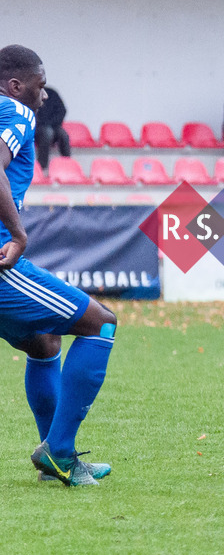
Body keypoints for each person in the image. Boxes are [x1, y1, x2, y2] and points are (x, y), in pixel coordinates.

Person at [0, 45, 119, 486]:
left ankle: (55, 461)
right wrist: (18, 234)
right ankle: (60, 452)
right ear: (16, 85)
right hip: (1, 263)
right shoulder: (14, 111)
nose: (44, 95)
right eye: (40, 85)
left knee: (45, 344)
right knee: (100, 324)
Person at [33, 86, 71, 171]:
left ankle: (68, 164)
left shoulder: (52, 93)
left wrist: (51, 123)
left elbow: (62, 110)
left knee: (64, 135)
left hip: (53, 126)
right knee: (47, 132)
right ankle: (42, 166)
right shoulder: (30, 93)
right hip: (36, 128)